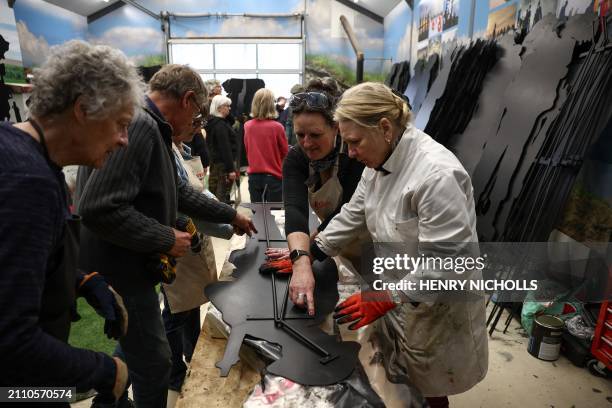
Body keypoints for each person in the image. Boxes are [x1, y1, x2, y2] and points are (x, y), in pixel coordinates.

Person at [289, 82, 488, 408]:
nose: (349, 152)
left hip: (438, 307)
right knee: (403, 377)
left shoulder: (436, 175)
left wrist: (387, 297)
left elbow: (447, 261)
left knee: (431, 385)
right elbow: (354, 213)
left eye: (354, 142)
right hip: (400, 290)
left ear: (384, 127)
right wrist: (312, 252)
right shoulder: (379, 160)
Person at [75, 64, 256, 408]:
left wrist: (230, 215)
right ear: (188, 100)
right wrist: (165, 238)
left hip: (126, 262)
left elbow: (177, 191)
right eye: (197, 116)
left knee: (140, 347)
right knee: (155, 364)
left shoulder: (149, 126)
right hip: (121, 267)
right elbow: (97, 207)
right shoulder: (142, 125)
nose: (195, 127)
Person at [0, 40, 140, 404]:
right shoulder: (28, 182)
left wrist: (79, 280)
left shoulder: (19, 154)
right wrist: (106, 370)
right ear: (83, 110)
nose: (124, 141)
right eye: (121, 125)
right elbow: (11, 339)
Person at [265, 78, 365, 276]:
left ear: (336, 127)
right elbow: (295, 210)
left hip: (376, 245)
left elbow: (346, 212)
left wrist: (307, 251)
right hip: (336, 244)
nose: (307, 143)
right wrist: (299, 253)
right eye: (300, 134)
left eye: (315, 135)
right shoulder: (296, 159)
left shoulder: (356, 157)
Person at [244, 88, 288, 202]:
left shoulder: (248, 126)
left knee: (257, 214)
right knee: (274, 215)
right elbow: (285, 152)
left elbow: (247, 148)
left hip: (254, 176)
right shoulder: (278, 127)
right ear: (271, 105)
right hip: (274, 176)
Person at [206, 94, 238, 204]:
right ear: (219, 107)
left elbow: (232, 120)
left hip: (217, 163)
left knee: (217, 192)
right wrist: (230, 169)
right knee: (220, 194)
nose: (229, 108)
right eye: (227, 106)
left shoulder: (216, 122)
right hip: (222, 165)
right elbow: (225, 148)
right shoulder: (220, 126)